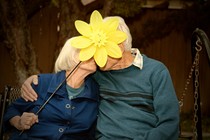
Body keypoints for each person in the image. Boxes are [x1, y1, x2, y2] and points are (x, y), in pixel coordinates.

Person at [21, 10, 180, 140]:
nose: (95, 55)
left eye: (100, 48)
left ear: (119, 45)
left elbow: (170, 126)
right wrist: (33, 80)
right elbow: (68, 77)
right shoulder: (96, 73)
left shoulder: (155, 71)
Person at [3, 38, 100, 140]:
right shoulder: (41, 83)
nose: (94, 54)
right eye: (87, 50)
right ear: (71, 56)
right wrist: (19, 122)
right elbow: (13, 110)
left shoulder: (96, 91)